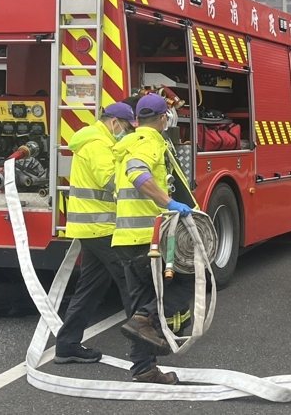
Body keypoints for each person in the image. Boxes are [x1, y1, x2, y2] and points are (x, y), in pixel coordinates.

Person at [112, 93, 198, 384]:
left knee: (140, 310)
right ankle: (143, 321)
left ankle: (143, 369)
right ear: (163, 118)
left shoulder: (126, 143)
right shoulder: (150, 141)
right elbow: (138, 173)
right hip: (147, 238)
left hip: (124, 236)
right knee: (183, 282)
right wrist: (169, 202)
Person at [54, 102, 135, 364]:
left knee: (91, 287)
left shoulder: (93, 140)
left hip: (93, 227)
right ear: (114, 123)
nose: (125, 132)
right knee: (131, 280)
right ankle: (145, 345)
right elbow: (111, 181)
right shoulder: (98, 144)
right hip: (101, 228)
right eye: (125, 127)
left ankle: (67, 345)